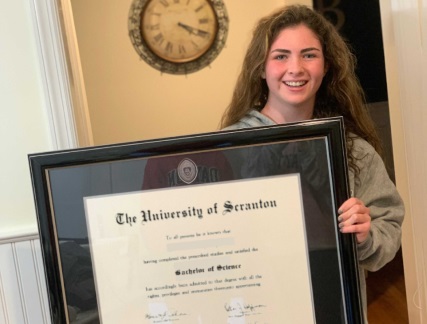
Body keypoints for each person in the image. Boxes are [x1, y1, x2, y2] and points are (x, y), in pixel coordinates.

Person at [220, 4, 404, 322]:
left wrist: (366, 233)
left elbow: (388, 229)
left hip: (335, 307)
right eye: (280, 56)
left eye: (309, 54)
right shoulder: (225, 151)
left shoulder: (355, 151)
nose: (296, 68)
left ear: (327, 65)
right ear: (261, 68)